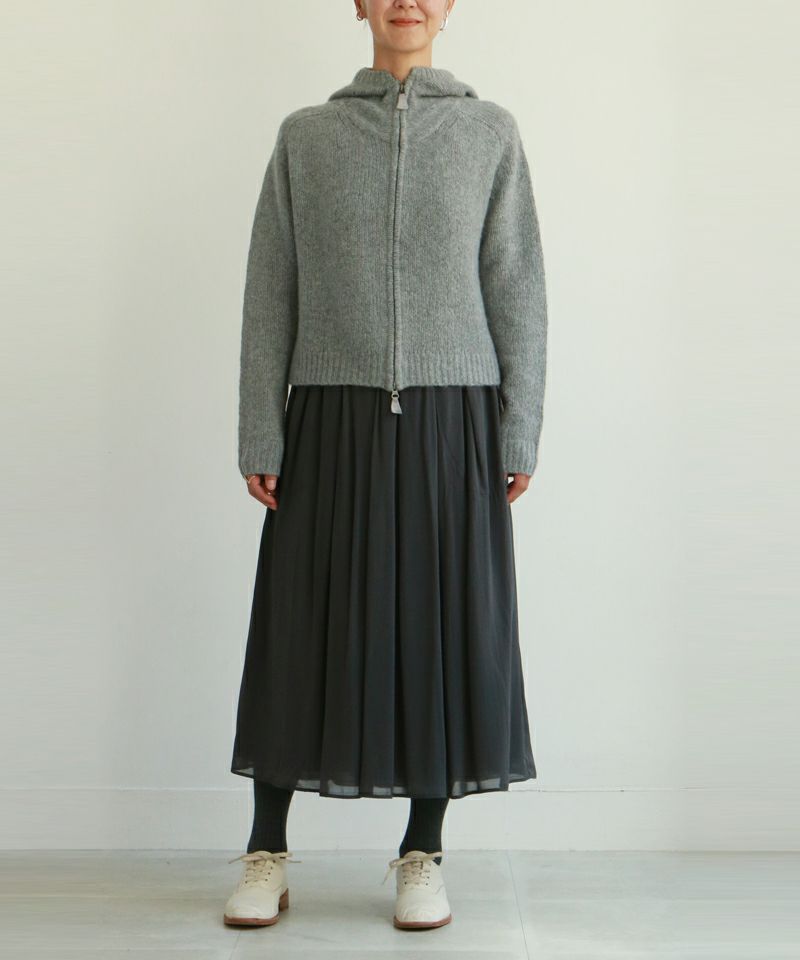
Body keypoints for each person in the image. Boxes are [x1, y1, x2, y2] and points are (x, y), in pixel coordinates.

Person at [224, 0, 547, 932]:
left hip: (454, 416)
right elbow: (271, 287)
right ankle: (266, 849)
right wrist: (260, 430)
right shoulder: (308, 136)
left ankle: (422, 852)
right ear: (360, 5)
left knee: (439, 627)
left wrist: (518, 430)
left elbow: (517, 284)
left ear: (448, 7)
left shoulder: (489, 133)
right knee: (300, 625)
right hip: (329, 410)